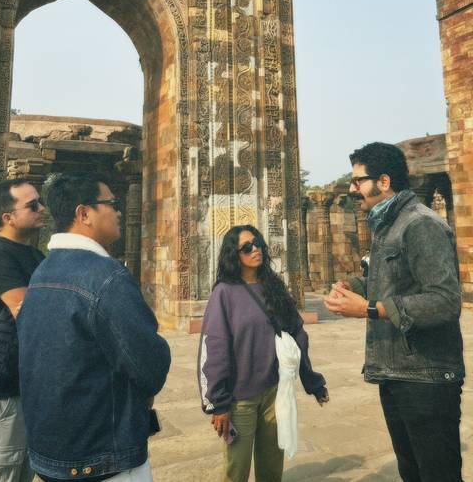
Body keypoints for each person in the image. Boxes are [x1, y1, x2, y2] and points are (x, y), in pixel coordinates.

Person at [324, 142, 464, 482]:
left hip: (427, 377)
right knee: (413, 472)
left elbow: (445, 300)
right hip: (398, 372)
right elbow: (394, 278)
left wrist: (371, 308)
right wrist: (356, 286)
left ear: (383, 182)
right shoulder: (388, 225)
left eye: (359, 181)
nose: (354, 188)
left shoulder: (420, 224)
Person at [17, 173, 171, 482]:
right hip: (104, 456)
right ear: (83, 213)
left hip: (52, 456)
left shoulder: (41, 272)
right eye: (112, 204)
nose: (118, 211)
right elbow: (149, 366)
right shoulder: (105, 276)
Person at [198, 224, 328, 482]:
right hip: (240, 398)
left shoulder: (273, 286)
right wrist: (218, 404)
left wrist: (311, 381)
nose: (255, 249)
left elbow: (296, 335)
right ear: (234, 255)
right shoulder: (224, 293)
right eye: (247, 247)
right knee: (237, 469)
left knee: (271, 468)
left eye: (257, 243)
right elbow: (215, 348)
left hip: (274, 392)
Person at [0, 178, 45, 482]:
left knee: (25, 470)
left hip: (28, 384)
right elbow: (27, 311)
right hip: (5, 389)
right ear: (8, 217)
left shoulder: (36, 256)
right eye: (33, 205)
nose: (42, 208)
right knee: (7, 471)